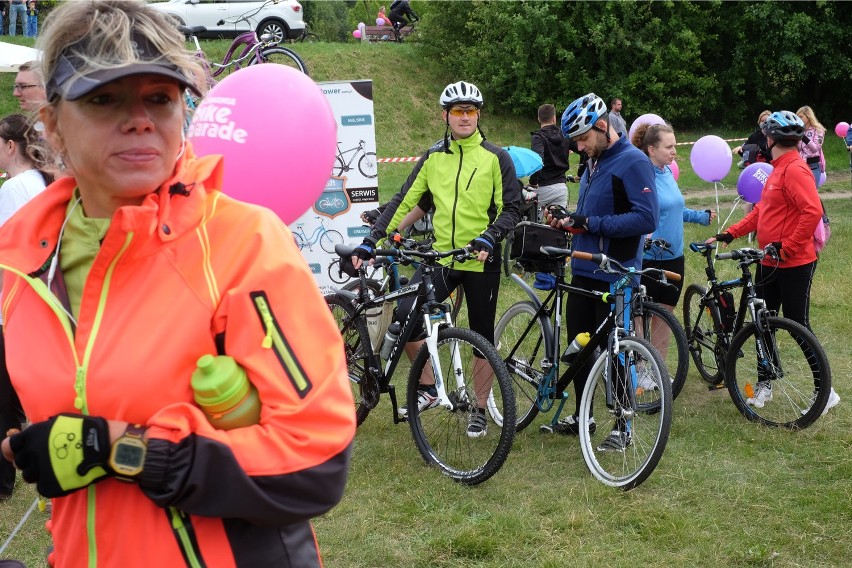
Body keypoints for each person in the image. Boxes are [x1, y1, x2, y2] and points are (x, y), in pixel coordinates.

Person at [0, 2, 355, 566]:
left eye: (159, 99)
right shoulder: (18, 255)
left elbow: (312, 465)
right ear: (51, 124)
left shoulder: (243, 242)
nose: (140, 118)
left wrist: (124, 449)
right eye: (104, 99)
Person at [352, 80, 521, 437]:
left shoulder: (495, 157)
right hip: (442, 258)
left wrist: (490, 236)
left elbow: (513, 208)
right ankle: (428, 388)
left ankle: (478, 408)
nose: (465, 117)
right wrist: (371, 239)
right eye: (458, 111)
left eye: (471, 111)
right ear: (445, 115)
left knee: (481, 335)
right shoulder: (433, 158)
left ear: (478, 115)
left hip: (479, 260)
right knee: (404, 317)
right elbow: (404, 200)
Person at [543, 93, 658, 450]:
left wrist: (589, 222)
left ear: (603, 127)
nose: (578, 147)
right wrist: (569, 222)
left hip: (617, 273)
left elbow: (645, 218)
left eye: (582, 139)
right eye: (575, 141)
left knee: (616, 351)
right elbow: (592, 214)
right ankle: (583, 416)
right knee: (579, 347)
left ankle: (623, 426)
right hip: (584, 269)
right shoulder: (593, 159)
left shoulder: (633, 161)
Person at [707, 110, 839, 414]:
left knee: (797, 325)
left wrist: (787, 247)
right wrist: (730, 233)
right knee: (762, 324)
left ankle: (825, 391)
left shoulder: (795, 170)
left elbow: (811, 213)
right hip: (769, 259)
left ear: (770, 138)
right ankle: (765, 384)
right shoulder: (776, 168)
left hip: (794, 263)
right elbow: (762, 212)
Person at [630, 122, 714, 387]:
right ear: (651, 149)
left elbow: (675, 208)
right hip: (649, 257)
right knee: (642, 315)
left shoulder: (666, 172)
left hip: (674, 257)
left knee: (665, 315)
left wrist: (700, 217)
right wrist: (642, 236)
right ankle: (641, 368)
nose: (674, 151)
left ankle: (658, 367)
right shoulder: (641, 176)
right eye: (669, 147)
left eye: (675, 146)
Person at [0, 113, 51, 500]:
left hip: (13, 299)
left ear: (10, 145)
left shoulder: (15, 187)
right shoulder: (37, 181)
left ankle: (2, 479)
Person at [530, 103, 572, 215]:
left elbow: (538, 160)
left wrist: (533, 182)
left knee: (535, 226)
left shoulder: (538, 137)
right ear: (554, 118)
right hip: (561, 188)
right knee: (559, 226)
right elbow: (583, 150)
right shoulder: (564, 134)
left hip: (543, 187)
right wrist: (581, 172)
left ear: (539, 118)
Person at [796, 105, 826, 184]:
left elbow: (815, 148)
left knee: (811, 193)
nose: (799, 119)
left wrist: (803, 137)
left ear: (808, 116)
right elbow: (797, 148)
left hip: (813, 166)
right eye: (797, 117)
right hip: (800, 164)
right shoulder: (799, 130)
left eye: (801, 116)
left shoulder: (818, 130)